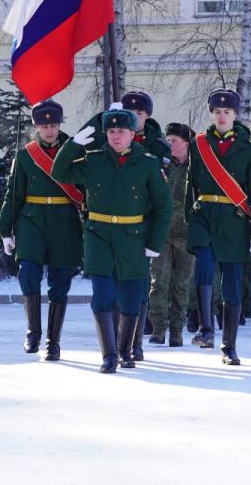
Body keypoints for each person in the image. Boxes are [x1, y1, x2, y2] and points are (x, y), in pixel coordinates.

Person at [52, 108, 172, 373]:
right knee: (102, 295)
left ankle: (126, 349)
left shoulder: (149, 164)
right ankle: (109, 354)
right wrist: (72, 145)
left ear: (132, 134)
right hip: (99, 236)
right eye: (111, 131)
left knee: (131, 301)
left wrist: (154, 243)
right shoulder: (93, 160)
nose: (116, 136)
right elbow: (59, 172)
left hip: (133, 238)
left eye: (122, 132)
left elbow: (164, 207)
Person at [185, 89, 251, 365]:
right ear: (211, 113)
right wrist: (190, 218)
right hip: (205, 215)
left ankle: (228, 346)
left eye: (227, 112)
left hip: (235, 221)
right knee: (204, 267)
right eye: (217, 112)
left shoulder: (248, 148)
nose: (222, 117)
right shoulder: (199, 144)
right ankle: (207, 329)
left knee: (232, 284)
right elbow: (191, 185)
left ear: (235, 115)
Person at [0, 100, 84, 361]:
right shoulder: (25, 155)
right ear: (37, 126)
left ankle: (52, 341)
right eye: (44, 125)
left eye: (54, 125)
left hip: (64, 223)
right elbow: (14, 194)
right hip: (31, 221)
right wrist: (5, 230)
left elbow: (86, 186)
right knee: (28, 275)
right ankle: (33, 332)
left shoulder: (75, 150)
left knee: (60, 284)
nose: (49, 130)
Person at [147, 122, 196, 347]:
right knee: (159, 281)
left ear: (186, 143)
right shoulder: (162, 165)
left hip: (186, 233)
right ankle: (158, 328)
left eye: (174, 140)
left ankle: (177, 330)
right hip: (162, 232)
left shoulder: (197, 168)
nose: (169, 143)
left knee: (181, 283)